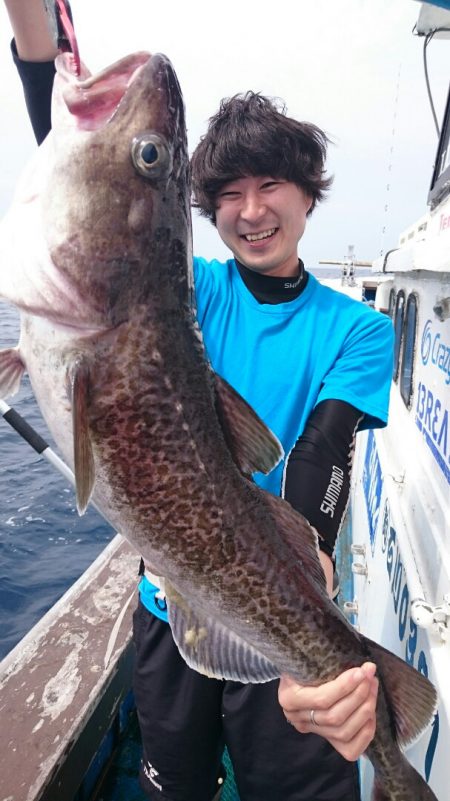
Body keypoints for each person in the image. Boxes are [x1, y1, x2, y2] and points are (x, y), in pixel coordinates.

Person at [4, 3, 392, 800]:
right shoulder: (182, 289)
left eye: (272, 185)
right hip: (165, 606)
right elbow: (56, 112)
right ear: (204, 210)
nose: (252, 211)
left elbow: (323, 460)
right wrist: (32, 26)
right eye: (229, 194)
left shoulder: (359, 329)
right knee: (170, 784)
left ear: (309, 195)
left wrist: (312, 603)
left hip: (277, 597)